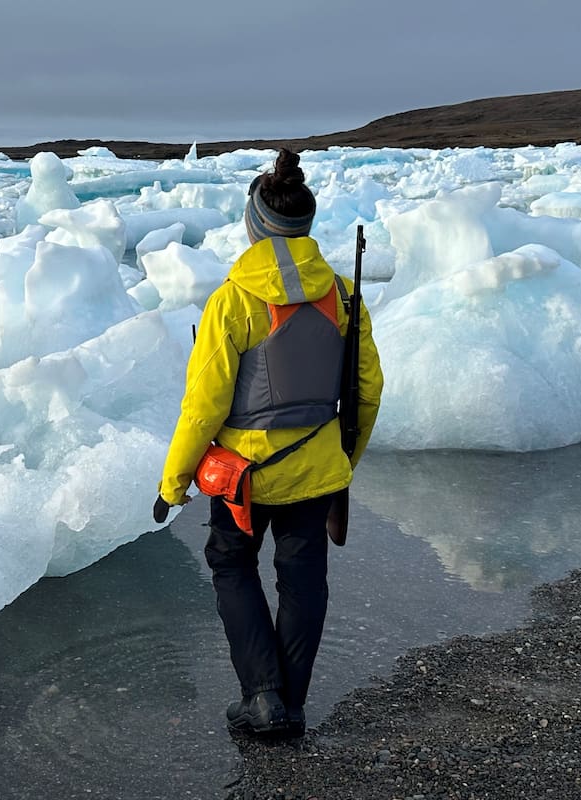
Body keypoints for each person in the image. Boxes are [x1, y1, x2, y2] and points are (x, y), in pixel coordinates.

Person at [153, 149, 383, 738]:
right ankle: (291, 703)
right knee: (303, 578)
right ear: (304, 227)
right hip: (316, 471)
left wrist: (173, 481)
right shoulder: (343, 296)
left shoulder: (232, 301)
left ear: (253, 226)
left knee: (231, 565)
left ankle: (262, 696)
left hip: (243, 477)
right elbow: (366, 390)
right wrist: (341, 462)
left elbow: (202, 405)